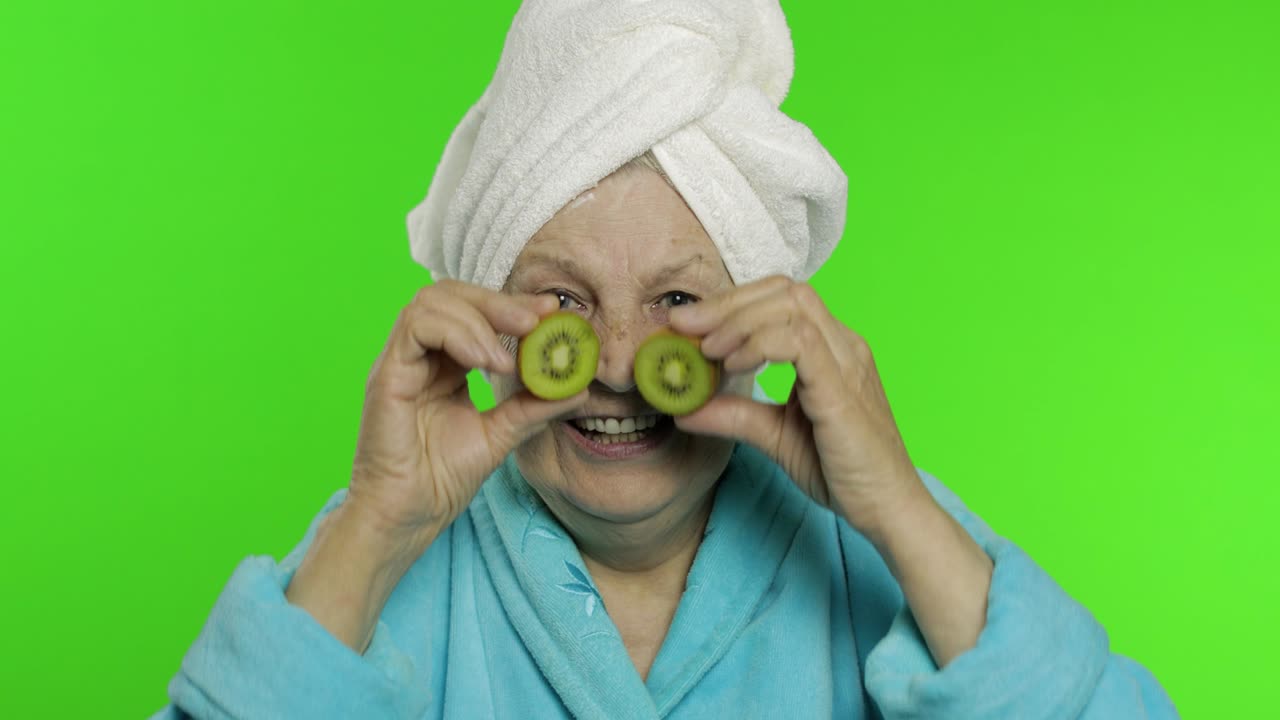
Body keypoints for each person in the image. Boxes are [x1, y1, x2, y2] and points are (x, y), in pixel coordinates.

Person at [152, 1, 1178, 718]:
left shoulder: (879, 548)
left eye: (678, 301)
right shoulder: (379, 559)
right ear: (485, 321)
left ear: (763, 321)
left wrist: (899, 513)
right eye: (562, 302)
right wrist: (375, 522)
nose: (614, 364)